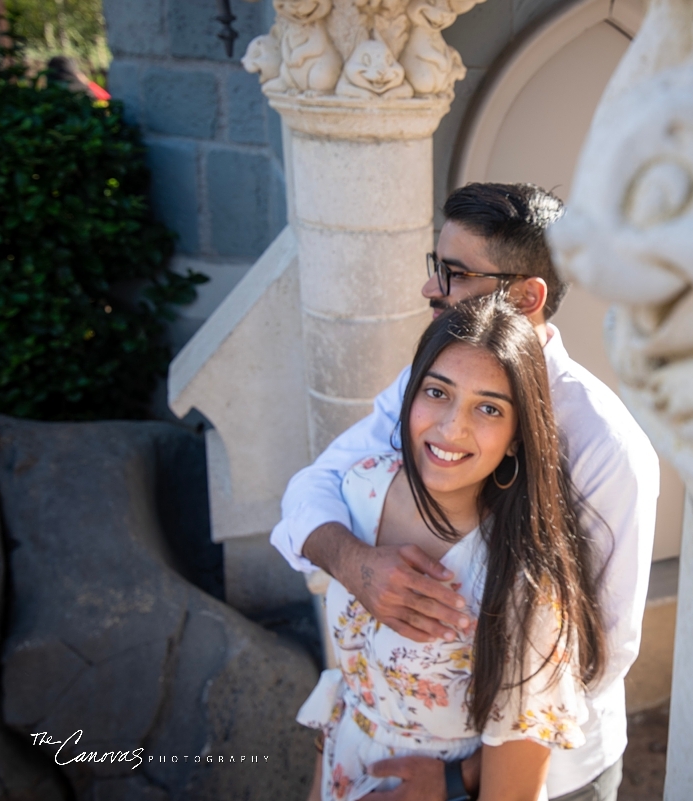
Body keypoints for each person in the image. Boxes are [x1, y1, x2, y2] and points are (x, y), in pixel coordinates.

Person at [273, 182, 659, 801]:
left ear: (528, 294)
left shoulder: (607, 446)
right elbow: (314, 485)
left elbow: (600, 655)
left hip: (550, 777)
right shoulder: (429, 376)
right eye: (438, 267)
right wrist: (356, 563)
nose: (432, 288)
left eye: (454, 273)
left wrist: (460, 778)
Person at [297, 293, 607, 801]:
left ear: (515, 437)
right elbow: (347, 692)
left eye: (488, 408)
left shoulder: (523, 586)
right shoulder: (360, 489)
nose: (451, 427)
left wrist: (450, 786)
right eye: (437, 393)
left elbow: (512, 794)